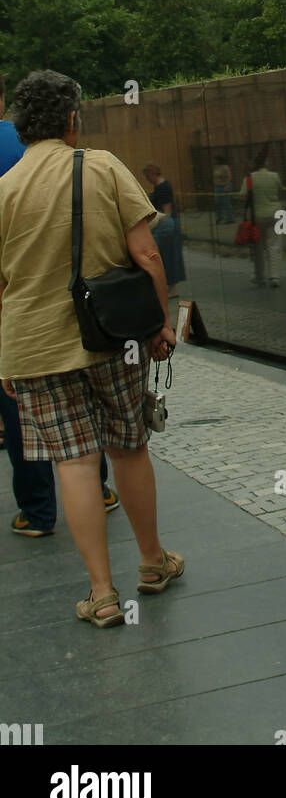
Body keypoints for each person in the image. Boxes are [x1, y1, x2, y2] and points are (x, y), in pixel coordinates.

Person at [0, 71, 182, 626]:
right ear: (73, 120)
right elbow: (147, 254)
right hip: (111, 339)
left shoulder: (3, 189)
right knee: (127, 447)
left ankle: (100, 594)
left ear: (20, 125)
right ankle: (152, 563)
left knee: (73, 462)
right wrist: (161, 325)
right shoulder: (101, 167)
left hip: (32, 346)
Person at [0, 72, 119, 533]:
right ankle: (102, 488)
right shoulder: (35, 143)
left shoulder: (26, 144)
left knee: (21, 413)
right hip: (84, 308)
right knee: (88, 411)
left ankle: (38, 510)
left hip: (23, 318)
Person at [142, 164, 186, 296]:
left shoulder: (163, 187)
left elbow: (167, 211)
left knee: (169, 256)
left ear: (153, 173)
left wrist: (161, 223)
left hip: (166, 225)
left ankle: (172, 288)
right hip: (163, 224)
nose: (147, 179)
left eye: (147, 176)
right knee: (166, 256)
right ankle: (169, 287)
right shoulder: (160, 186)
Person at [246, 147, 283, 287]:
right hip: (278, 214)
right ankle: (275, 277)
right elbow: (280, 192)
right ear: (266, 163)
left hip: (257, 216)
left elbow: (243, 196)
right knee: (275, 245)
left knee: (258, 248)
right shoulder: (274, 176)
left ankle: (259, 276)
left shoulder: (250, 178)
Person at [212, 154, 234, 225]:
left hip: (225, 186)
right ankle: (219, 217)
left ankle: (230, 218)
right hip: (217, 186)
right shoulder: (216, 167)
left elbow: (229, 177)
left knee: (226, 203)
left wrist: (227, 186)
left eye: (215, 160)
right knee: (217, 202)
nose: (214, 161)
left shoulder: (225, 167)